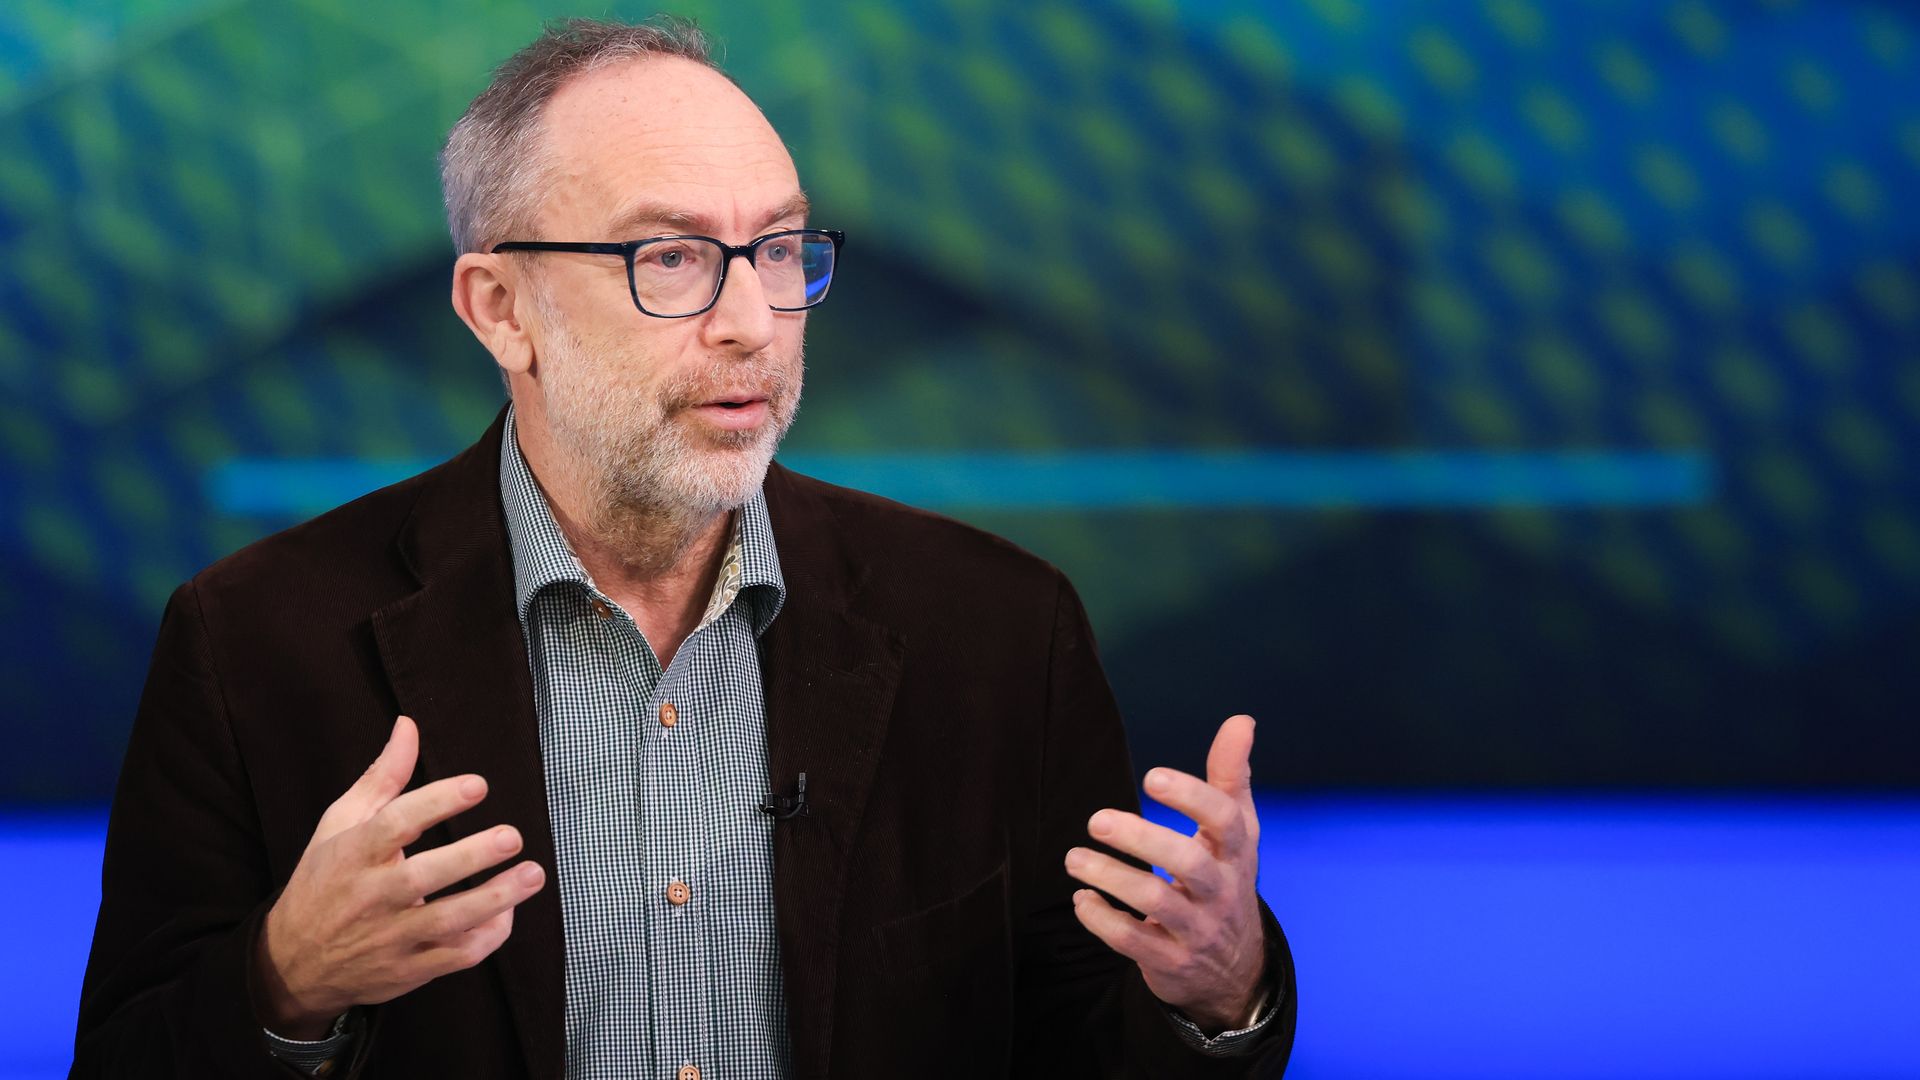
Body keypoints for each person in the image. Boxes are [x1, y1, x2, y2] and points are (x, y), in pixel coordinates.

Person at [71, 16, 1295, 1079]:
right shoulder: (255, 641)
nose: (753, 323)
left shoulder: (1000, 629)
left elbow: (1083, 1049)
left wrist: (1218, 996)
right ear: (502, 309)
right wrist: (284, 986)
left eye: (777, 251)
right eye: (672, 259)